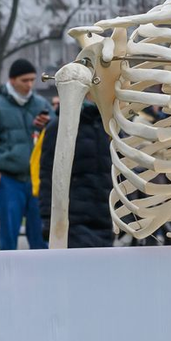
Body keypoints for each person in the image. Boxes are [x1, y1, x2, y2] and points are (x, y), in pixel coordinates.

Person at [0, 58, 51, 250]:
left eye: (32, 80)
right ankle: (7, 270)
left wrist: (49, 125)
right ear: (12, 80)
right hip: (9, 180)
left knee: (41, 238)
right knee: (8, 239)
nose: (29, 85)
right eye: (25, 80)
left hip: (38, 181)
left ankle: (41, 270)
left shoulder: (41, 104)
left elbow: (57, 137)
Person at [37, 96, 114, 248]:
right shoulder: (58, 127)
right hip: (72, 220)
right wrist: (48, 218)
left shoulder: (109, 127)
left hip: (104, 217)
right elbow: (47, 176)